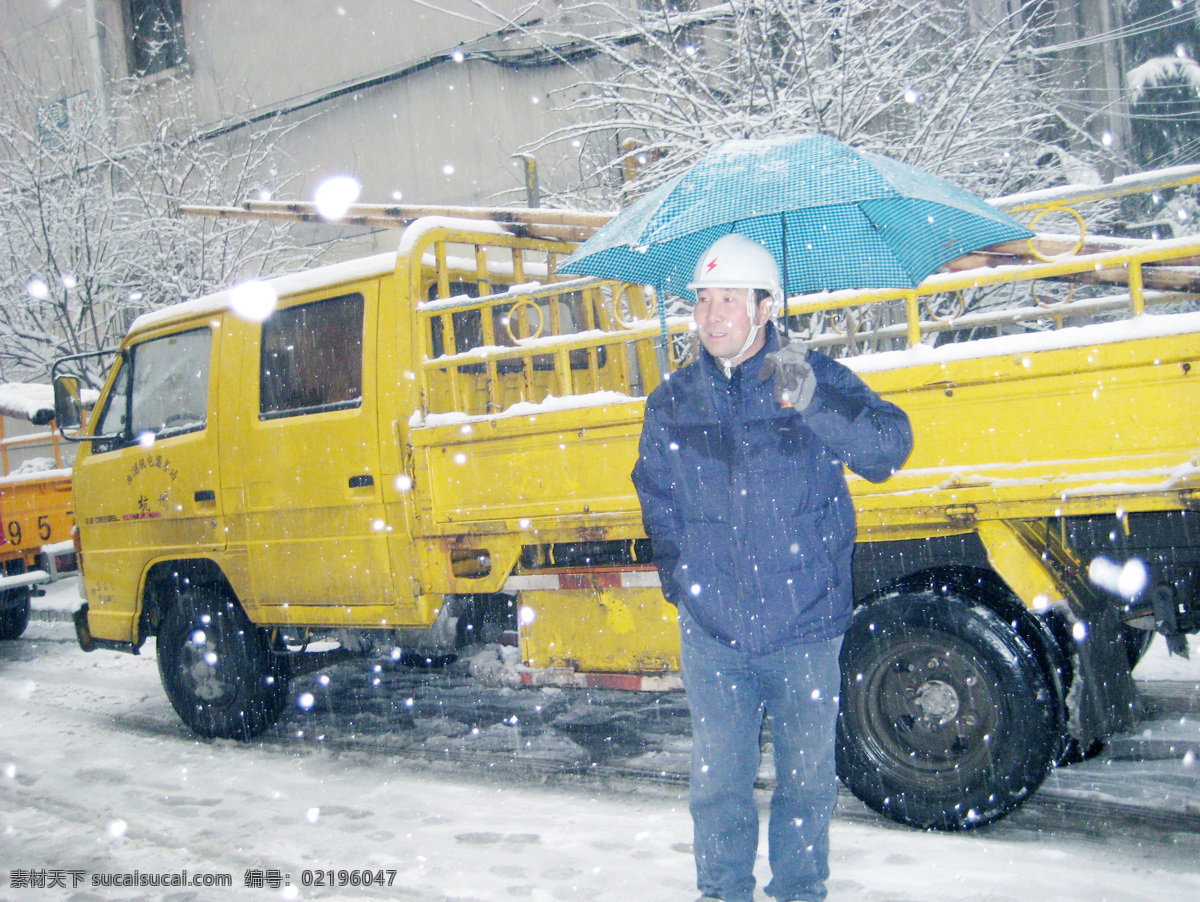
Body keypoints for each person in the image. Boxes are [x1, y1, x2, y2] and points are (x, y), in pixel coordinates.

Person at [631, 233, 913, 902]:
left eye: (729, 299)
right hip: (714, 633)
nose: (711, 315)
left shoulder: (810, 376)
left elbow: (888, 448)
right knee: (717, 790)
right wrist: (685, 584)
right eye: (702, 300)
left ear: (765, 308)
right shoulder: (672, 401)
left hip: (806, 630)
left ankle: (799, 894)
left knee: (808, 786)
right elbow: (656, 497)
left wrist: (815, 400)